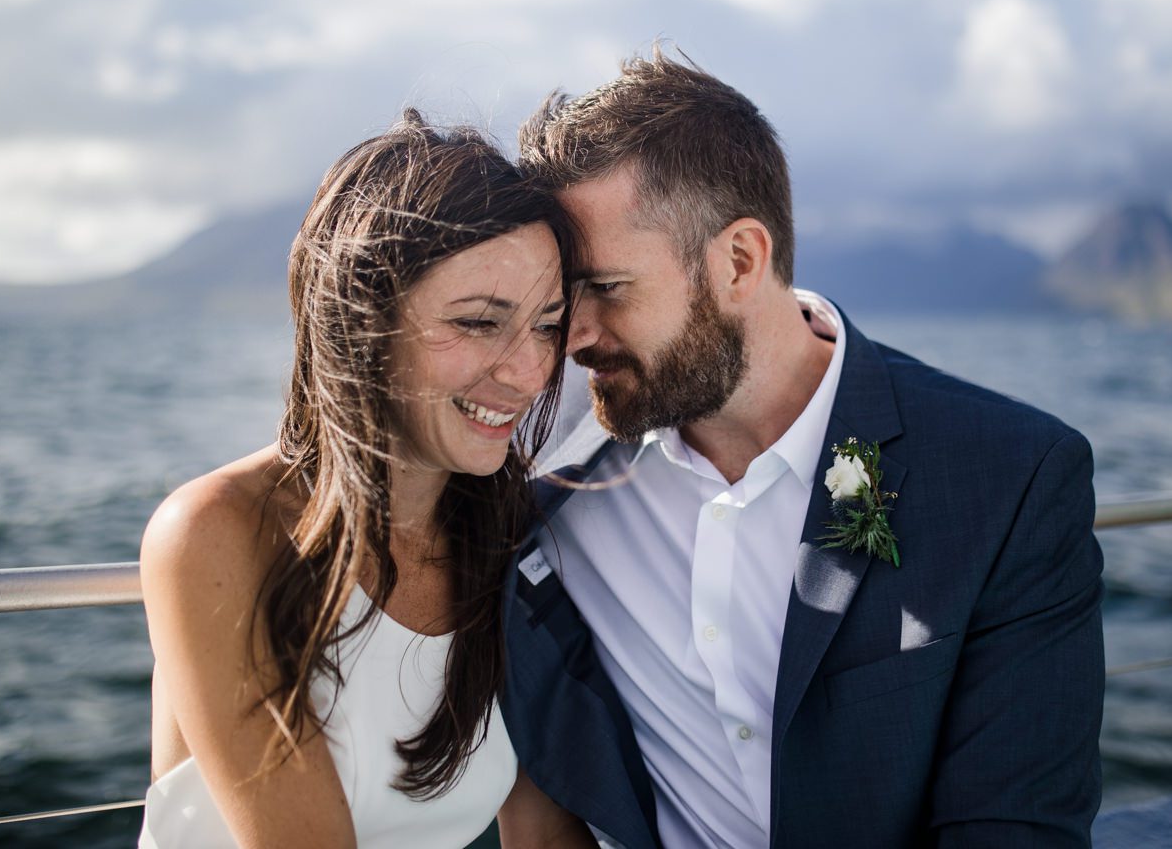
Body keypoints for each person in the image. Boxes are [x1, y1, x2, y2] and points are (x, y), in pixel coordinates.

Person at [499, 52, 1105, 848]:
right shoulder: (534, 470)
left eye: (608, 289)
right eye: (561, 298)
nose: (573, 336)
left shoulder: (1009, 481)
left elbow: (1014, 830)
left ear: (740, 262)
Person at [138, 111, 596, 848]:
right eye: (480, 322)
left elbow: (543, 832)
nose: (529, 372)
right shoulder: (219, 534)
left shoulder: (508, 536)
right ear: (363, 318)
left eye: (546, 325)